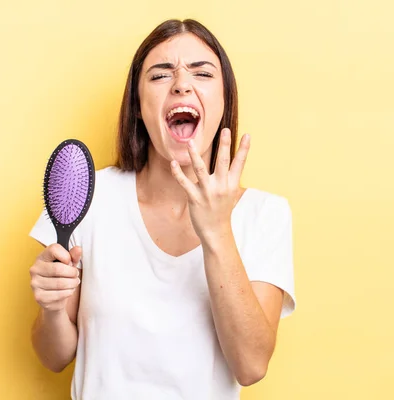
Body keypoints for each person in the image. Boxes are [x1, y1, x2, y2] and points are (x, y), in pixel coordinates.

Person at [28, 18, 296, 400]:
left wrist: (217, 231)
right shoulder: (91, 194)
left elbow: (251, 366)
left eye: (202, 73)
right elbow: (53, 356)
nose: (182, 84)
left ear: (223, 102)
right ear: (138, 107)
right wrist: (51, 308)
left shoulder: (265, 214)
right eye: (160, 75)